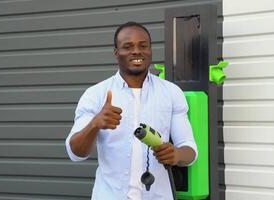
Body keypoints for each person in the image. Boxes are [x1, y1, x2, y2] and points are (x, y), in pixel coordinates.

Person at [65, 21, 197, 200]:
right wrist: (95, 124)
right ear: (116, 52)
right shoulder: (96, 94)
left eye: (143, 46)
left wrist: (177, 155)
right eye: (127, 46)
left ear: (150, 50)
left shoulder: (171, 92)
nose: (136, 51)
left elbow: (190, 149)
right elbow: (75, 153)